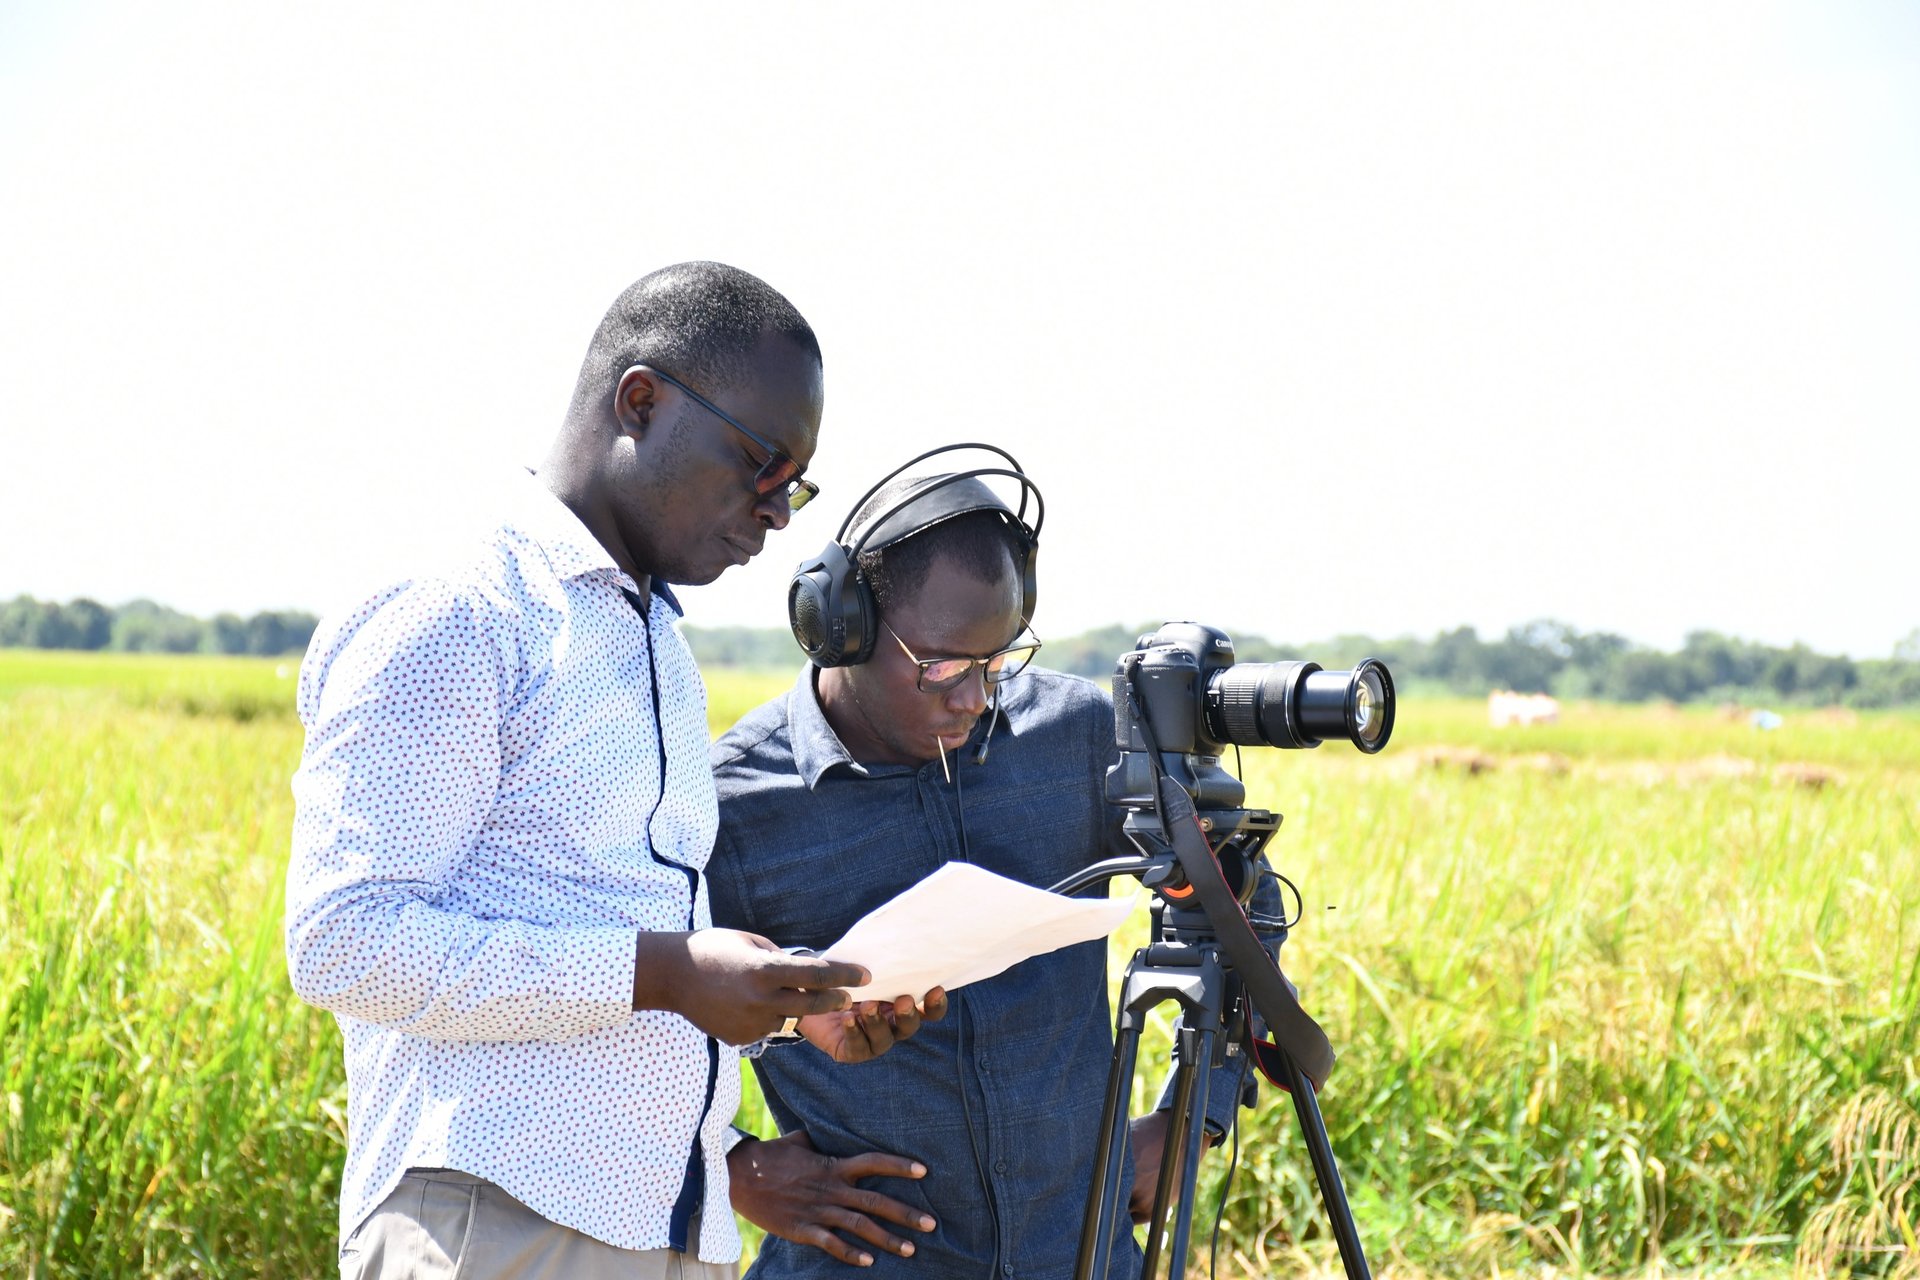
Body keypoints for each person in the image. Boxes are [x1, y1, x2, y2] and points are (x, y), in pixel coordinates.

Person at [286, 262, 935, 1280]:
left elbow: (603, 934)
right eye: (763, 462)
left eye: (796, 484)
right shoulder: (456, 610)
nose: (778, 511)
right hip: (494, 1221)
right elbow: (345, 943)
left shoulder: (654, 639)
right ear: (641, 400)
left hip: (670, 1227)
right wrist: (667, 972)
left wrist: (786, 1006)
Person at [708, 458, 1258, 1278]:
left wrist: (1195, 1118)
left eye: (999, 661)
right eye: (942, 667)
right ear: (841, 628)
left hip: (1084, 1255)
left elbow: (1237, 906)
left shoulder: (1080, 737)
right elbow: (625, 1022)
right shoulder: (733, 805)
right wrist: (732, 1169)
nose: (974, 696)